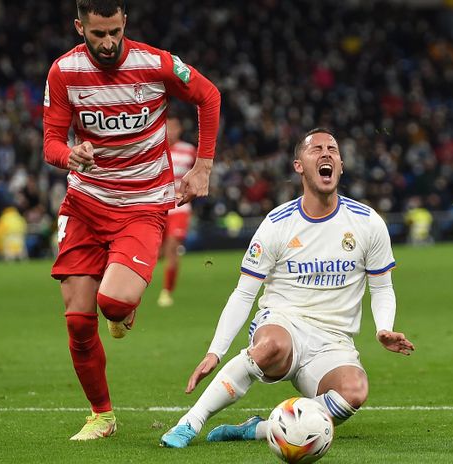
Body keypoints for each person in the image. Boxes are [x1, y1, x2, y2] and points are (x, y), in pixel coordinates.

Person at [160, 128, 415, 448]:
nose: (326, 154)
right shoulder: (277, 224)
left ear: (341, 165)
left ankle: (260, 429)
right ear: (299, 166)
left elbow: (382, 288)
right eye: (316, 149)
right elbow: (244, 293)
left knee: (354, 392)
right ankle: (191, 421)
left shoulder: (367, 222)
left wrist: (383, 329)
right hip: (283, 323)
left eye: (332, 149)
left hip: (333, 340)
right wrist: (216, 350)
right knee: (270, 346)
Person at [42, 0, 220, 441]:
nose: (107, 43)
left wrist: (203, 166)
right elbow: (50, 143)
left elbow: (208, 95)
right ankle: (101, 415)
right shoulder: (63, 72)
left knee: (114, 305)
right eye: (97, 34)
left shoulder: (156, 63)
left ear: (125, 24)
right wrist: (71, 155)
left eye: (114, 32)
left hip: (142, 205)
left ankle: (123, 307)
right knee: (78, 320)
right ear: (80, 26)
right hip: (85, 204)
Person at [157, 115, 197, 307]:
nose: (171, 131)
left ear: (180, 129)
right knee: (158, 253)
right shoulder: (155, 149)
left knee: (173, 247)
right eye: (168, 127)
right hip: (158, 206)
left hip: (180, 207)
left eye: (174, 127)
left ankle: (166, 292)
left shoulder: (189, 150)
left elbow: (198, 176)